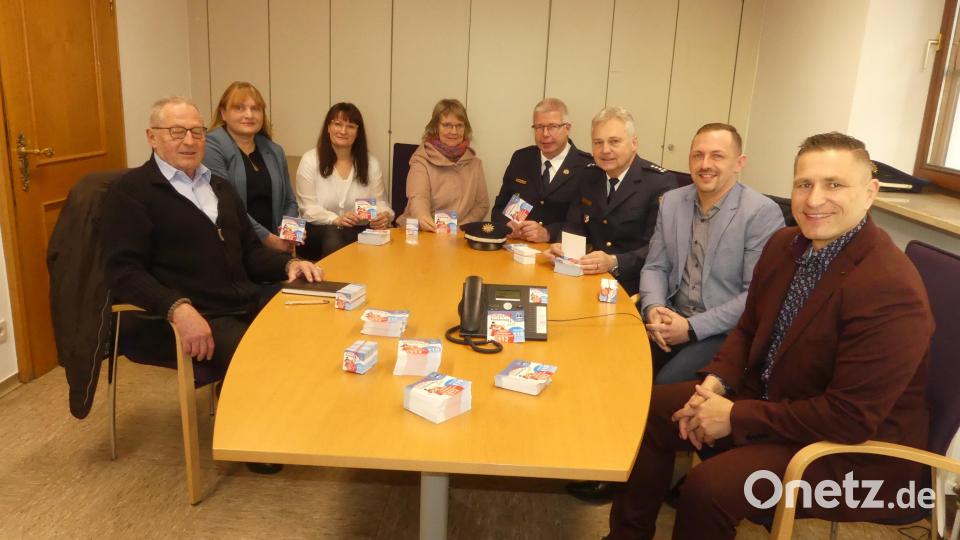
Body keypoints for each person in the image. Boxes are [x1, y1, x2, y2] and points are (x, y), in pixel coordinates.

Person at [606, 132, 934, 540]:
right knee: (651, 410)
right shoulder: (785, 245)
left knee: (709, 489)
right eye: (804, 184)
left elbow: (848, 419)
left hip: (849, 454)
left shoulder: (889, 288)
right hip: (776, 397)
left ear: (870, 193)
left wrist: (733, 416)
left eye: (834, 185)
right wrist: (715, 383)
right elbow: (748, 328)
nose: (814, 200)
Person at [101, 96, 323, 402]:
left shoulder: (219, 187)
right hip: (196, 313)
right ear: (152, 137)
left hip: (244, 298)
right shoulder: (131, 193)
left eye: (197, 131)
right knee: (262, 365)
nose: (190, 141)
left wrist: (287, 265)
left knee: (319, 318)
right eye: (177, 132)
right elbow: (123, 272)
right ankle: (253, 440)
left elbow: (250, 253)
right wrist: (177, 308)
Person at [641, 123, 784, 385]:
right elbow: (655, 267)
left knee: (663, 384)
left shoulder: (761, 213)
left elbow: (755, 295)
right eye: (698, 155)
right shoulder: (672, 202)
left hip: (723, 332)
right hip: (670, 316)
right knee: (619, 363)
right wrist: (654, 307)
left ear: (739, 163)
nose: (705, 164)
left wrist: (692, 328)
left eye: (717, 156)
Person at [545, 106, 676, 296]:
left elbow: (658, 248)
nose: (605, 150)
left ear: (634, 143)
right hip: (587, 277)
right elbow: (574, 225)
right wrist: (561, 248)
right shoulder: (589, 175)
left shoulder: (659, 183)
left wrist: (614, 261)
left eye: (614, 141)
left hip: (632, 284)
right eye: (598, 142)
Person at [203, 81, 298, 253]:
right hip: (235, 247)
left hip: (276, 247)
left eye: (255, 109)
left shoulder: (275, 150)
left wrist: (291, 235)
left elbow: (289, 200)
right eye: (239, 108)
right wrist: (269, 240)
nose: (249, 115)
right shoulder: (210, 146)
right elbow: (229, 205)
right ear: (223, 113)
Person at [295, 102, 393, 259]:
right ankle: (335, 282)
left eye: (350, 126)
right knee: (333, 235)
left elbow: (382, 205)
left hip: (358, 232)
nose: (343, 131)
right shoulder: (310, 160)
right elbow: (307, 208)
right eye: (337, 124)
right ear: (328, 128)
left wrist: (384, 216)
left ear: (357, 132)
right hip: (318, 231)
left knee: (386, 239)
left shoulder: (371, 164)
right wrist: (336, 219)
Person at [490, 98, 593, 242]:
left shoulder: (586, 167)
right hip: (515, 248)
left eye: (552, 126)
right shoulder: (521, 159)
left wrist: (548, 233)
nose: (545, 134)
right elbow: (499, 208)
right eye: (539, 127)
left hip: (556, 253)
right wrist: (506, 224)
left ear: (567, 128)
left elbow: (587, 224)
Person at [398, 98, 490, 231]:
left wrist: (461, 227)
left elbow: (481, 205)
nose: (454, 131)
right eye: (447, 125)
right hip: (421, 232)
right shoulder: (421, 159)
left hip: (458, 234)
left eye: (459, 125)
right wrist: (425, 219)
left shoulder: (475, 164)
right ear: (436, 127)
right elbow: (418, 198)